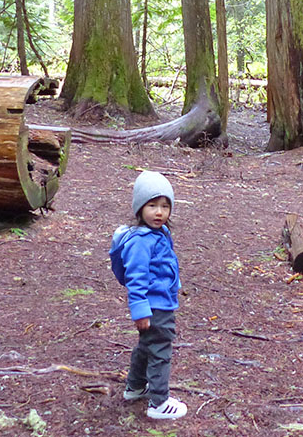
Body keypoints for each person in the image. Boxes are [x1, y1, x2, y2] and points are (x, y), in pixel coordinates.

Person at [109, 170, 187, 420]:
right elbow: (136, 278)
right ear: (140, 208)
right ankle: (159, 402)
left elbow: (165, 264)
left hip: (161, 299)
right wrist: (140, 310)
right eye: (152, 205)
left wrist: (174, 283)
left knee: (146, 346)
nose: (159, 212)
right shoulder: (141, 241)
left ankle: (134, 387)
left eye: (165, 206)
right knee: (160, 349)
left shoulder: (159, 234)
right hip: (155, 307)